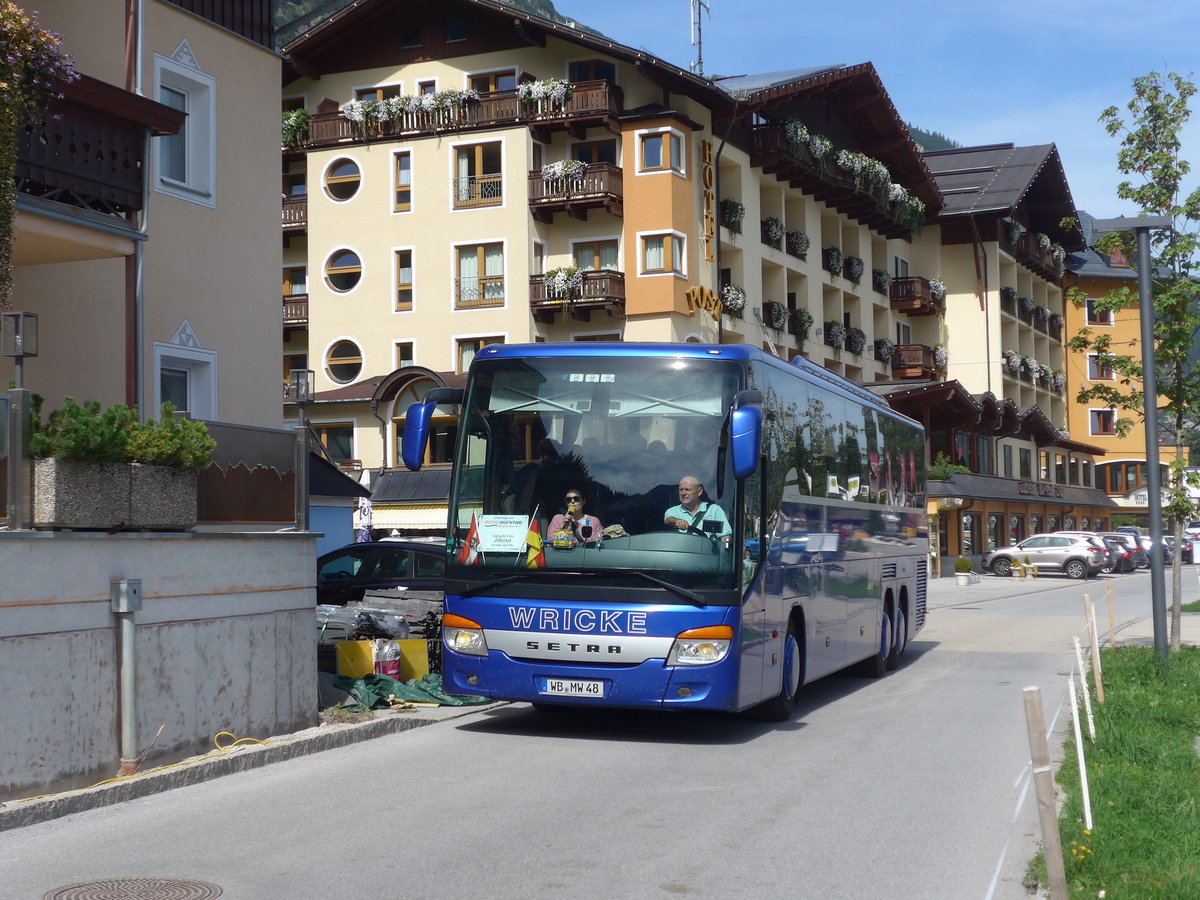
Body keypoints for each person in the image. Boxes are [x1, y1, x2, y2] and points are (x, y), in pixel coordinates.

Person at [664, 476, 732, 537]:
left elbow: (725, 537)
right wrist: (676, 521)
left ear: (699, 491)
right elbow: (667, 520)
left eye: (687, 489)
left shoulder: (714, 510)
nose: (683, 493)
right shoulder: (673, 511)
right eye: (681, 490)